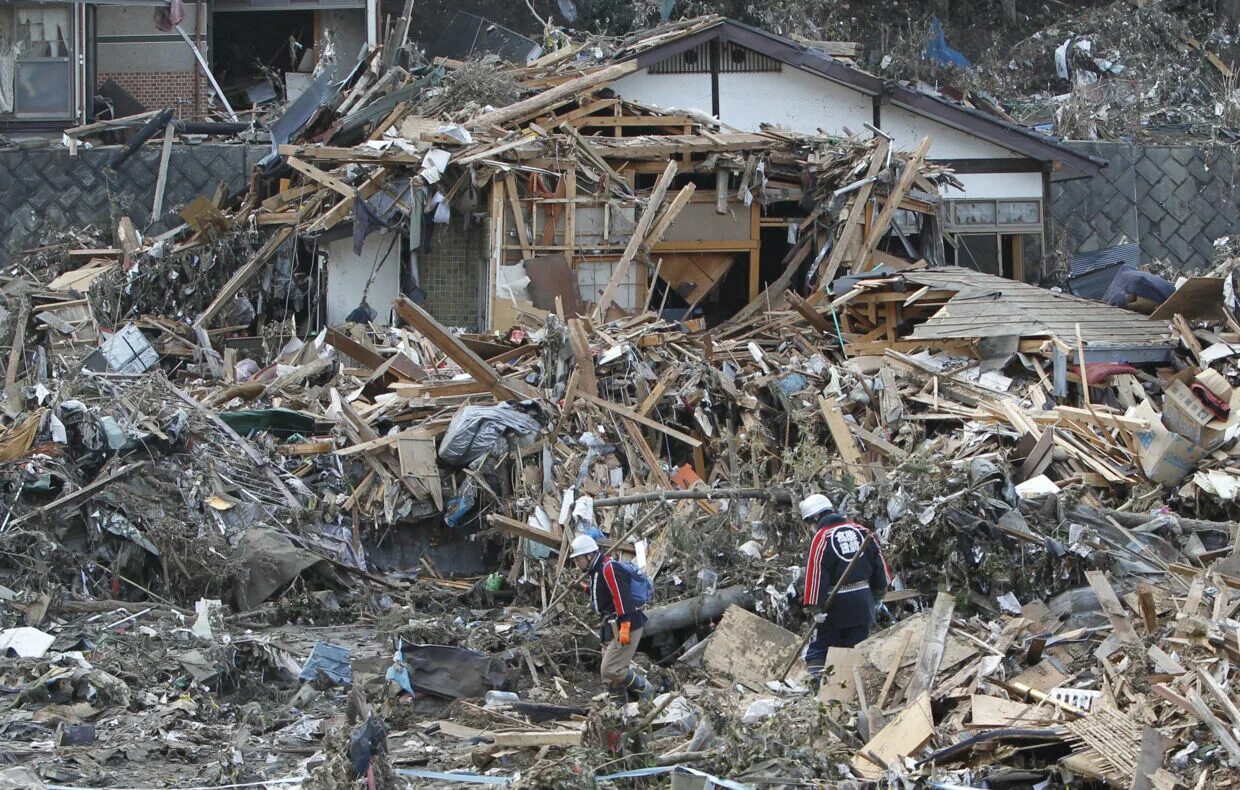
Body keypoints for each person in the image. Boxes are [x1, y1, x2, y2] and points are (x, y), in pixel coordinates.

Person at [799, 494, 889, 687]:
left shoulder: (822, 538)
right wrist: (878, 594)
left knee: (819, 649)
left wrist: (815, 607)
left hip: (836, 604)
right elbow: (880, 566)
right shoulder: (862, 531)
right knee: (854, 647)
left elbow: (816, 574)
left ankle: (817, 690)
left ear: (815, 518)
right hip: (863, 602)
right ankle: (849, 690)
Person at [570, 534, 654, 705]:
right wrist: (582, 588)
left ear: (589, 555)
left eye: (578, 559)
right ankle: (619, 710)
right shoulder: (596, 570)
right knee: (610, 679)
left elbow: (623, 600)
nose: (577, 564)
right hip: (610, 626)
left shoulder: (609, 568)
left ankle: (645, 688)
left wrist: (624, 629)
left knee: (611, 670)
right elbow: (602, 597)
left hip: (625, 624)